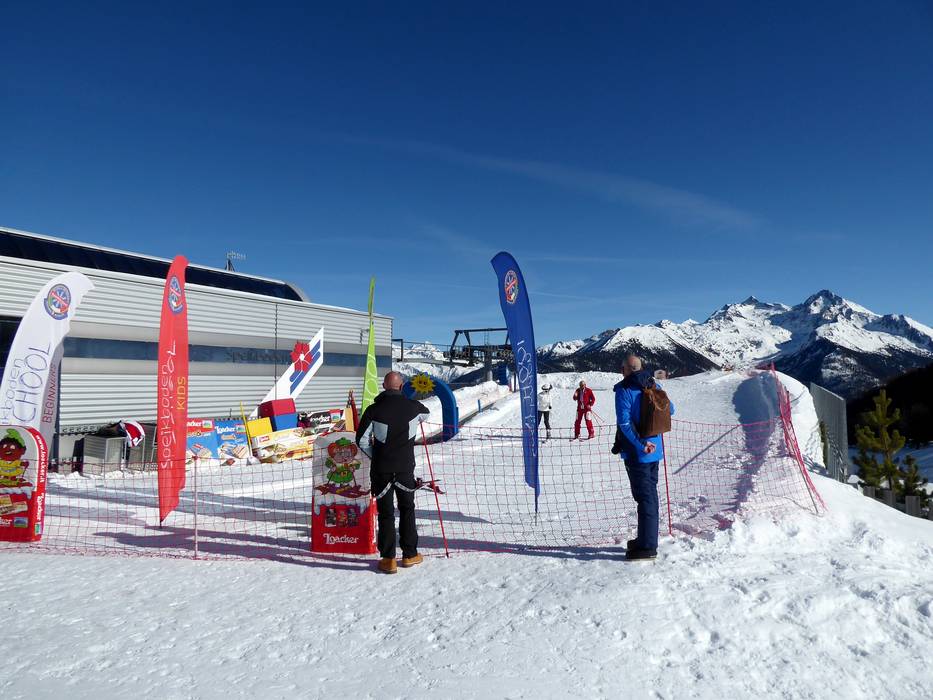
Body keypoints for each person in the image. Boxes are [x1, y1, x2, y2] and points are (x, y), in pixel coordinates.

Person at [355, 371, 430, 574]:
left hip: (382, 470)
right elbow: (426, 413)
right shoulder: (414, 407)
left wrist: (376, 455)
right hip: (405, 468)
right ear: (402, 386)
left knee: (386, 513)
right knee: (407, 509)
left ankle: (388, 559)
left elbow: (361, 440)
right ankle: (410, 554)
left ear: (383, 386)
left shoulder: (373, 410)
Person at [614, 354, 674, 561]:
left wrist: (640, 444)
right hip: (655, 450)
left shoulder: (624, 390)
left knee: (645, 497)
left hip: (638, 452)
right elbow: (671, 409)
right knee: (650, 495)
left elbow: (624, 423)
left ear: (625, 369)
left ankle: (647, 547)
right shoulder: (653, 384)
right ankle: (645, 539)